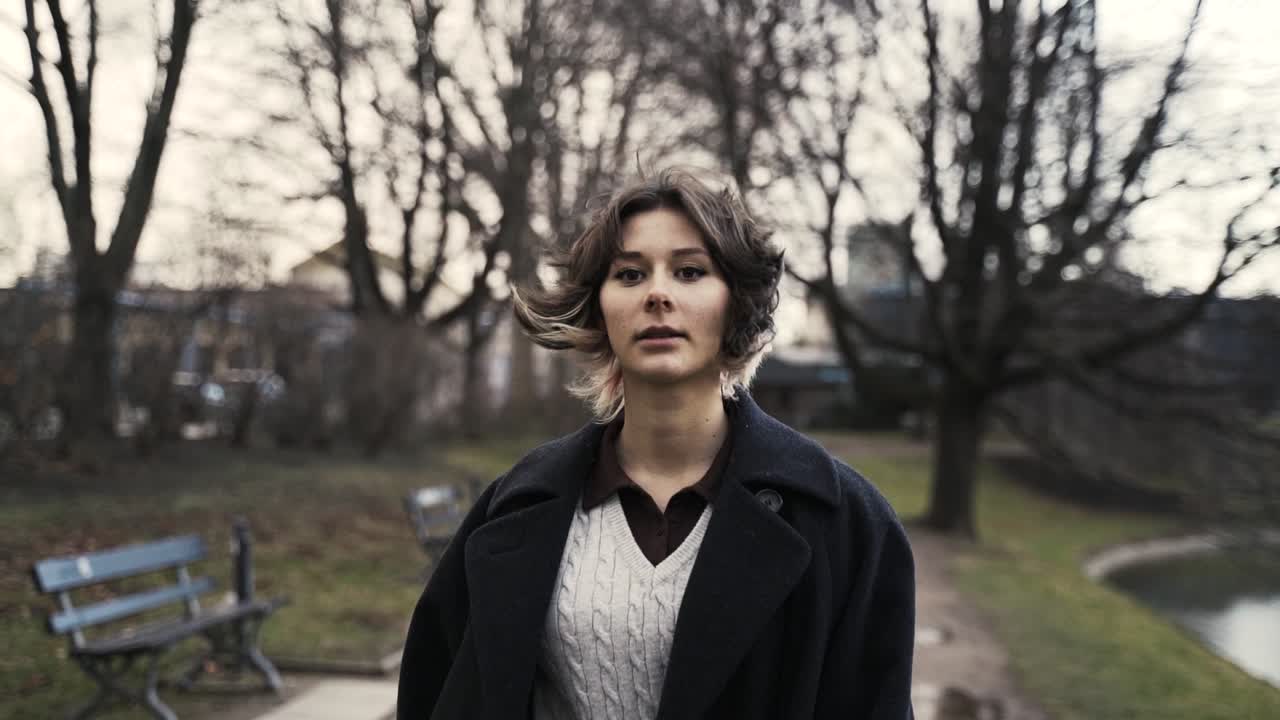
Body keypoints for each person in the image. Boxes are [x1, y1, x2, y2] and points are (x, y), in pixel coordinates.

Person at [396, 168, 916, 720]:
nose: (658, 294)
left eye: (690, 271)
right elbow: (438, 687)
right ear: (600, 308)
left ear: (735, 303)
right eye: (630, 274)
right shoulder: (517, 505)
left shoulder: (844, 520)